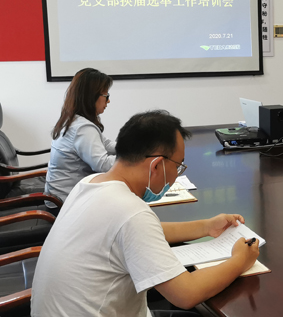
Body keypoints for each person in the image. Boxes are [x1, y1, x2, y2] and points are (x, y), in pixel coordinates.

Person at [31, 111, 260, 316]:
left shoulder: (90, 183)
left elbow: (137, 233)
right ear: (157, 165)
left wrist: (206, 226)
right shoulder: (130, 212)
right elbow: (186, 294)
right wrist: (240, 260)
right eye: (178, 166)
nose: (177, 174)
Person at [45, 67, 116, 203]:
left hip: (59, 195)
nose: (108, 101)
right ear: (91, 97)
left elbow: (106, 144)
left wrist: (130, 147)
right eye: (106, 96)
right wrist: (133, 158)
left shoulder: (73, 119)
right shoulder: (82, 128)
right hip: (66, 202)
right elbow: (103, 165)